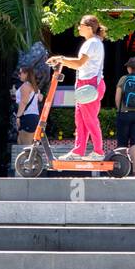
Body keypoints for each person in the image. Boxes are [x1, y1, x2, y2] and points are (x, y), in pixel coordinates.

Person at [48, 15, 107, 162]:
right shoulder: (93, 42)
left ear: (89, 28)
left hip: (90, 85)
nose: (78, 27)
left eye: (81, 25)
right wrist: (61, 59)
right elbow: (80, 64)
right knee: (81, 120)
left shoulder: (92, 43)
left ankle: (98, 151)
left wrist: (61, 59)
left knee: (90, 120)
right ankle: (78, 151)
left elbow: (79, 63)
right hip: (87, 85)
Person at [15, 66, 40, 146]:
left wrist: (18, 117)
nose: (19, 75)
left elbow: (23, 102)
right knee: (22, 142)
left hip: (27, 116)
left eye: (20, 73)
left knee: (25, 145)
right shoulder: (33, 86)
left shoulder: (25, 86)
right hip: (33, 116)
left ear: (26, 74)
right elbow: (40, 98)